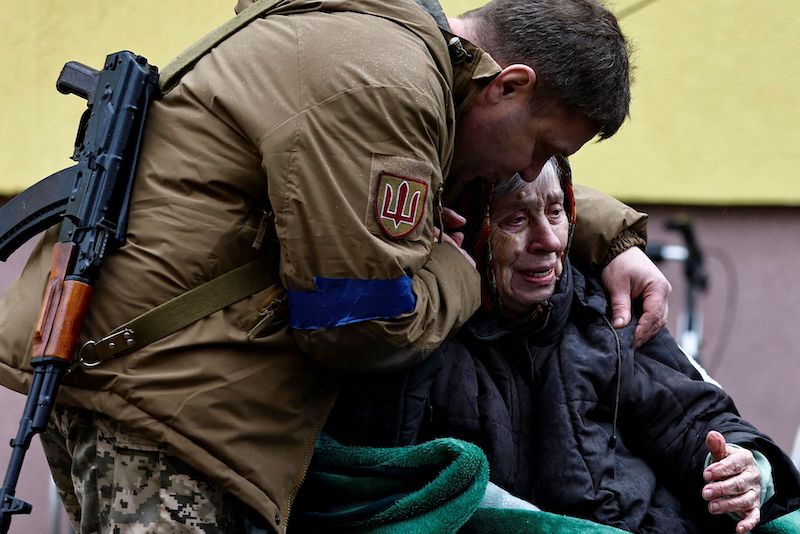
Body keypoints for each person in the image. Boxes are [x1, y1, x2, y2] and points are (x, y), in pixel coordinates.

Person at [0, 0, 667, 532]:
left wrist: (605, 233)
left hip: (156, 381)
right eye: (539, 148)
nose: (528, 173)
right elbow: (360, 326)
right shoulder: (388, 87)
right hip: (164, 402)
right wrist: (459, 272)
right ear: (511, 84)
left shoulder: (391, 53)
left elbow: (443, 168)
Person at [325, 158, 800, 533]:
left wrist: (743, 467)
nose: (549, 241)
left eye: (556, 212)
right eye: (515, 218)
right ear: (462, 228)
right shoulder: (420, 335)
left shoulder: (603, 309)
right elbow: (388, 482)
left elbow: (697, 417)